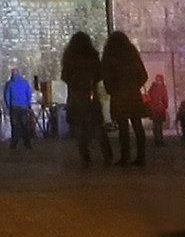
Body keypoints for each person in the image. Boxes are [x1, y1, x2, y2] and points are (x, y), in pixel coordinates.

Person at [102, 30, 149, 167]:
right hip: (134, 95)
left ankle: (125, 156)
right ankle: (141, 156)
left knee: (123, 127)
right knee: (137, 125)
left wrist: (112, 90)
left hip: (119, 96)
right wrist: (134, 86)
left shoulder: (109, 56)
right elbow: (143, 75)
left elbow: (107, 77)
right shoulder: (132, 55)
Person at [61, 32, 107, 169]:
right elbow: (100, 74)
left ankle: (85, 158)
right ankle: (107, 155)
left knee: (80, 129)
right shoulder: (93, 56)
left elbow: (65, 76)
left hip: (76, 97)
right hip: (91, 94)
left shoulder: (70, 58)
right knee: (97, 126)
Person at [5, 68, 37, 149]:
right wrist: (27, 103)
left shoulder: (9, 84)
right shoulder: (25, 83)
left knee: (15, 126)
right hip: (23, 106)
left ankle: (14, 144)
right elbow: (29, 94)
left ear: (12, 74)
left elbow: (7, 95)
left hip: (14, 107)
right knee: (25, 125)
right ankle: (27, 143)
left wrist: (8, 105)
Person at [144, 72, 171, 147]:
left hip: (153, 108)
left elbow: (149, 97)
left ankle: (156, 139)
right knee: (159, 125)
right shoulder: (162, 87)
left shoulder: (152, 87)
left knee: (155, 125)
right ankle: (160, 140)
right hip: (160, 108)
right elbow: (165, 98)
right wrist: (165, 106)